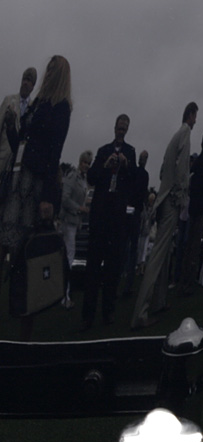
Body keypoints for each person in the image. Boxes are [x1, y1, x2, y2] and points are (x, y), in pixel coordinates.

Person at [1, 56, 72, 339]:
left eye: (54, 67)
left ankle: (25, 327)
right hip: (20, 179)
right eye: (49, 65)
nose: (49, 69)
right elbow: (21, 139)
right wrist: (9, 126)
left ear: (61, 74)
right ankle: (18, 311)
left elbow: (55, 151)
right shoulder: (39, 102)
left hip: (37, 183)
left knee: (29, 253)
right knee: (13, 248)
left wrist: (48, 197)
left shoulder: (61, 106)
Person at [132, 102, 196, 329]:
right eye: (195, 116)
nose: (195, 120)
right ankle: (141, 313)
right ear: (190, 115)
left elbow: (162, 171)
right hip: (171, 201)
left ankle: (158, 302)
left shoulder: (173, 138)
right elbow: (182, 169)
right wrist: (180, 196)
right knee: (158, 255)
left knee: (165, 253)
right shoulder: (185, 132)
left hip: (163, 199)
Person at [81, 114, 136, 329]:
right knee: (93, 267)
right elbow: (92, 177)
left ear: (127, 130)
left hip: (117, 219)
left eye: (125, 128)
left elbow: (132, 183)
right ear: (114, 128)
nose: (121, 130)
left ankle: (108, 311)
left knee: (113, 269)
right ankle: (88, 315)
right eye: (119, 127)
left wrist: (126, 165)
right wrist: (105, 165)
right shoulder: (104, 150)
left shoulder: (130, 152)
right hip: (100, 216)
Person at [178, 129, 203, 296]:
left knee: (189, 246)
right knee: (194, 246)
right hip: (200, 207)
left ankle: (184, 279)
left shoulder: (199, 161)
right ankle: (189, 282)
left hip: (194, 205)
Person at [57, 149, 91, 308]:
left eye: (88, 163)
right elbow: (64, 199)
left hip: (74, 222)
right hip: (67, 222)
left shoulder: (84, 180)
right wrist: (79, 208)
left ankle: (63, 294)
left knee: (67, 257)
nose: (86, 165)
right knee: (68, 258)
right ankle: (65, 296)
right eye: (84, 162)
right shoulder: (72, 177)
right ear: (80, 162)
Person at [0, 68, 36, 198]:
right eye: (24, 79)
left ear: (33, 86)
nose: (25, 83)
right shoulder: (9, 100)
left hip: (18, 165)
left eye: (29, 81)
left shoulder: (34, 108)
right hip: (3, 158)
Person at [122, 149, 148, 298]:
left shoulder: (140, 174)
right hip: (133, 211)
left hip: (134, 211)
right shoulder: (139, 174)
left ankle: (127, 281)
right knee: (129, 247)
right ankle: (125, 279)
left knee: (131, 247)